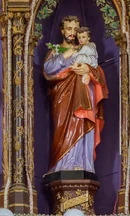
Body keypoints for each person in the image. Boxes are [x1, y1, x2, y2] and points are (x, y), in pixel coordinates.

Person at [43, 16, 108, 174]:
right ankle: (62, 165)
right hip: (63, 100)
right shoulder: (57, 51)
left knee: (83, 122)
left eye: (75, 29)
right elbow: (47, 70)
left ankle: (84, 164)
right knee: (64, 129)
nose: (73, 33)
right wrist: (66, 55)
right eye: (69, 29)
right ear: (62, 30)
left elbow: (98, 73)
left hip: (84, 97)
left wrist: (88, 70)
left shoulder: (86, 50)